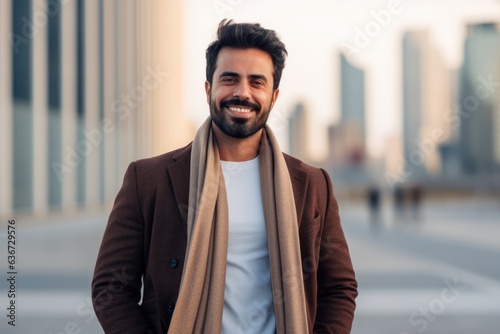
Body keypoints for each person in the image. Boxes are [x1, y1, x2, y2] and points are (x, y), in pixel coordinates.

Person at [92, 19, 357, 334]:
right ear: (209, 89)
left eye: (257, 82)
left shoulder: (312, 185)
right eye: (229, 79)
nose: (242, 93)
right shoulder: (148, 178)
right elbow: (111, 288)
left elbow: (339, 287)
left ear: (273, 96)